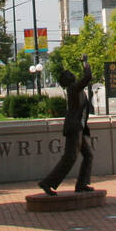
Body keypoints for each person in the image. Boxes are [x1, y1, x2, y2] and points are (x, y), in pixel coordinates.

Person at [37, 55, 95, 195]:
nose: (72, 74)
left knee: (88, 155)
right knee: (70, 157)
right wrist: (85, 63)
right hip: (74, 129)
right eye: (69, 74)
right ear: (68, 80)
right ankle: (47, 183)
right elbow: (88, 77)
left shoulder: (76, 89)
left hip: (78, 128)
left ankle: (82, 184)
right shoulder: (73, 89)